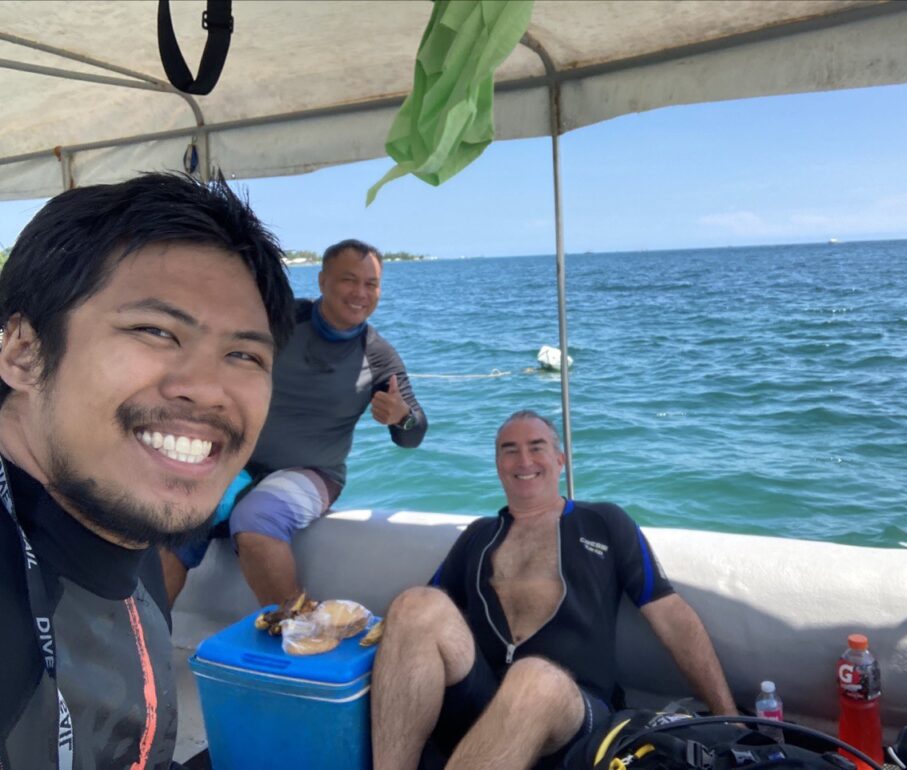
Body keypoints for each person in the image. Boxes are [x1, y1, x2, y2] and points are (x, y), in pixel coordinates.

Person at [0, 173, 293, 769]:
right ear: (23, 352)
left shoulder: (125, 517)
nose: (208, 390)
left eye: (244, 354)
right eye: (156, 331)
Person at [370, 410, 736, 770]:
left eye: (536, 446)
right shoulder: (479, 536)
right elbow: (419, 628)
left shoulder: (604, 523)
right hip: (480, 700)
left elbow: (672, 617)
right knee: (414, 604)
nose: (523, 459)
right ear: (498, 463)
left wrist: (729, 719)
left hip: (572, 714)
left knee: (533, 677)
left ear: (560, 460)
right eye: (509, 449)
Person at [161, 238, 428, 607]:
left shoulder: (378, 356)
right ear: (322, 282)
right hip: (240, 461)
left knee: (255, 520)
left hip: (315, 473)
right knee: (180, 520)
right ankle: (144, 643)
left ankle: (302, 632)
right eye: (349, 280)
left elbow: (413, 435)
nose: (361, 293)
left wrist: (403, 417)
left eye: (371, 284)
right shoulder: (281, 322)